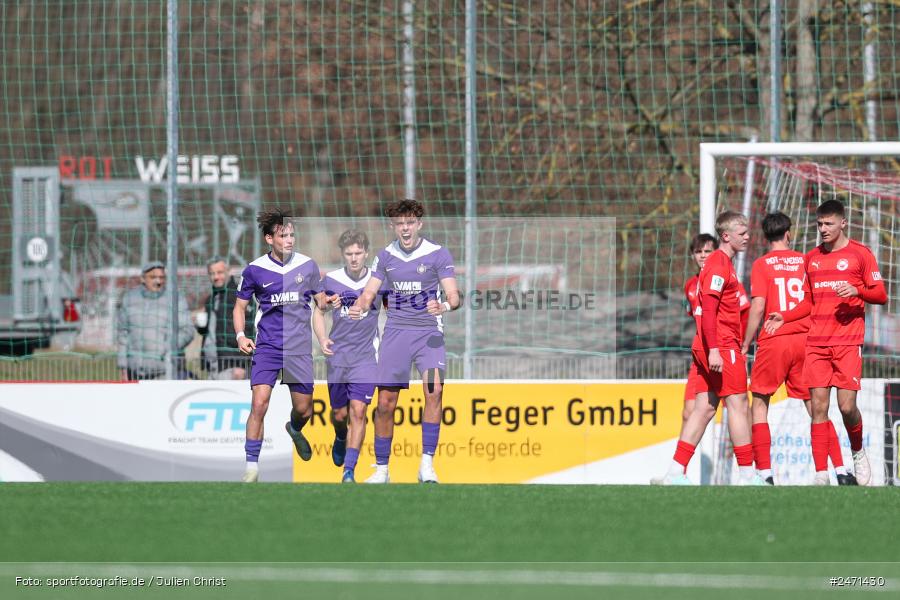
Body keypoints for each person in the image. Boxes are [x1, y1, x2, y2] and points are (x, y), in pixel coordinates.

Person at [349, 199, 461, 484]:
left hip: (429, 335)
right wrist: (359, 306)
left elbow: (454, 297)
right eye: (400, 224)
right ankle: (382, 469)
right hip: (396, 334)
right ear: (393, 226)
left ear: (419, 224)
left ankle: (426, 465)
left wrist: (445, 307)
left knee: (434, 391)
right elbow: (369, 292)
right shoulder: (385, 256)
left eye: (410, 223)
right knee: (385, 403)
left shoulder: (438, 254)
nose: (405, 228)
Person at [740, 212, 852, 485]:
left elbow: (757, 306)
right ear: (788, 233)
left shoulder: (761, 264)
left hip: (774, 340)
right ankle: (840, 470)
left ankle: (765, 473)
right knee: (818, 409)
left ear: (766, 236)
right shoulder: (805, 260)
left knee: (759, 405)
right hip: (805, 341)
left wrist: (745, 343)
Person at [653, 211, 760, 485]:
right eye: (742, 232)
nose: (747, 236)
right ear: (726, 236)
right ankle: (748, 475)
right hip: (720, 346)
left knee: (704, 408)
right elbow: (709, 309)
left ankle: (675, 472)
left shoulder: (720, 264)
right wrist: (714, 349)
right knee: (738, 404)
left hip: (708, 346)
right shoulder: (719, 264)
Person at [234, 210, 331, 483]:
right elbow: (239, 307)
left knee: (304, 410)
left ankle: (295, 428)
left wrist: (328, 301)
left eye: (291, 234)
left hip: (299, 349)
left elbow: (320, 302)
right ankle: (251, 468)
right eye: (283, 235)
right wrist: (241, 335)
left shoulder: (308, 266)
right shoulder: (254, 270)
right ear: (269, 239)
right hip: (267, 346)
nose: (289, 240)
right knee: (259, 403)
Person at [803, 200, 886, 486]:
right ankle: (820, 473)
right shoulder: (811, 258)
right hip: (816, 343)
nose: (823, 229)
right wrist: (784, 317)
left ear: (843, 223)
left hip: (848, 342)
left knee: (847, 406)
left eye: (828, 224)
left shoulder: (860, 254)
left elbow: (881, 295)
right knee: (818, 407)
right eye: (819, 224)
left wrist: (857, 290)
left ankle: (858, 451)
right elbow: (807, 302)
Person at [313, 230, 381, 483]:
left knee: (359, 411)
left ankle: (349, 471)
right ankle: (340, 436)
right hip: (338, 358)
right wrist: (322, 339)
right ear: (342, 254)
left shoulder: (377, 281)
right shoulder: (330, 280)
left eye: (358, 253)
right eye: (349, 254)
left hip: (365, 358)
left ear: (366, 253)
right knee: (340, 415)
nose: (354, 258)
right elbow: (319, 313)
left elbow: (394, 310)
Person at [116, 261, 195, 380]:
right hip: (135, 371)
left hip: (166, 371)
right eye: (153, 277)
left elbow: (187, 330)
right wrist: (123, 366)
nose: (158, 281)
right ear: (143, 278)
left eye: (161, 277)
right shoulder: (129, 299)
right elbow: (123, 334)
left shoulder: (176, 299)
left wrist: (168, 347)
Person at [196, 256, 254, 380]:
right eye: (212, 273)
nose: (216, 277)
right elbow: (211, 331)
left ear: (229, 271)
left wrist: (242, 364)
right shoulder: (210, 299)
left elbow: (250, 328)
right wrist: (200, 327)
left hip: (232, 365)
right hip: (213, 364)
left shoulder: (240, 295)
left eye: (220, 272)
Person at [680, 233, 716, 436]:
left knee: (740, 407)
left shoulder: (726, 278)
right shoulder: (690, 286)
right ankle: (680, 467)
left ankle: (751, 464)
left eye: (707, 251)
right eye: (698, 252)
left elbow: (743, 313)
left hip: (723, 352)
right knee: (688, 412)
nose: (702, 255)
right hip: (701, 355)